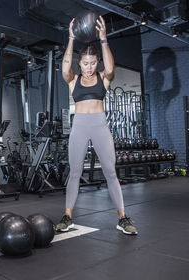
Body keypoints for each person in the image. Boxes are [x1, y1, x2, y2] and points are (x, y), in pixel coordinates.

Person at [56, 16, 138, 235]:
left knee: (111, 172)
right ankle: (67, 216)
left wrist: (104, 39)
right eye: (85, 63)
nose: (89, 67)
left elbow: (111, 68)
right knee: (75, 172)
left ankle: (122, 218)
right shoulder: (73, 80)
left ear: (97, 62)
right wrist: (71, 39)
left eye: (93, 63)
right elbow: (65, 67)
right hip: (80, 126)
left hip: (100, 126)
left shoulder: (104, 77)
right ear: (80, 63)